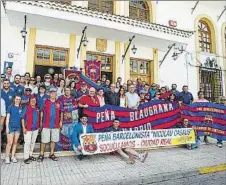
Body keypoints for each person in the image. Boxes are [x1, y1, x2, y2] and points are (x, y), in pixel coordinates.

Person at [37, 87, 63, 162]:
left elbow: (61, 112)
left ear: (56, 94)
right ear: (49, 94)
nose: (52, 94)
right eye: (51, 93)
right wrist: (41, 122)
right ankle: (41, 154)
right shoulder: (45, 101)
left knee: (53, 140)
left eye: (54, 93)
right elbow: (41, 112)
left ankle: (51, 154)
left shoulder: (59, 102)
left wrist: (61, 121)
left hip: (55, 125)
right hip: (46, 125)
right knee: (44, 140)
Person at [21, 95, 40, 164]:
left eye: (34, 100)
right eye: (32, 100)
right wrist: (23, 128)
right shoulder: (26, 107)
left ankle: (30, 155)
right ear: (29, 101)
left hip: (35, 129)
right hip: (27, 129)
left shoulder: (37, 108)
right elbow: (22, 118)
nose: (33, 101)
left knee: (32, 142)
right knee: (27, 143)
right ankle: (26, 157)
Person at [5, 95, 23, 164]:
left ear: (20, 100)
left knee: (15, 142)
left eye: (19, 99)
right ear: (14, 99)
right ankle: (7, 157)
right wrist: (7, 127)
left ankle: (12, 156)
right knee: (10, 143)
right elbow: (7, 118)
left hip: (18, 127)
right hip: (11, 127)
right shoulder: (10, 107)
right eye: (16, 99)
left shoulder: (21, 107)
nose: (18, 100)